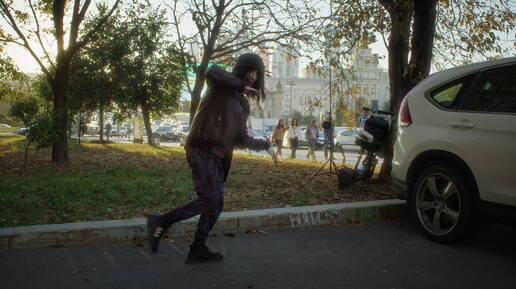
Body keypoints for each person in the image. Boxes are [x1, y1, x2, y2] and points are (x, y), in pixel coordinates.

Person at [146, 53, 277, 264]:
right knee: (210, 199)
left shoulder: (242, 105)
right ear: (241, 69)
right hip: (201, 148)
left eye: (256, 73)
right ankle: (161, 222)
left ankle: (198, 248)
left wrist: (266, 145)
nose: (252, 77)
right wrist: (239, 86)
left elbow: (240, 137)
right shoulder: (221, 84)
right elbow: (211, 70)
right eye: (249, 71)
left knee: (216, 204)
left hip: (217, 157)